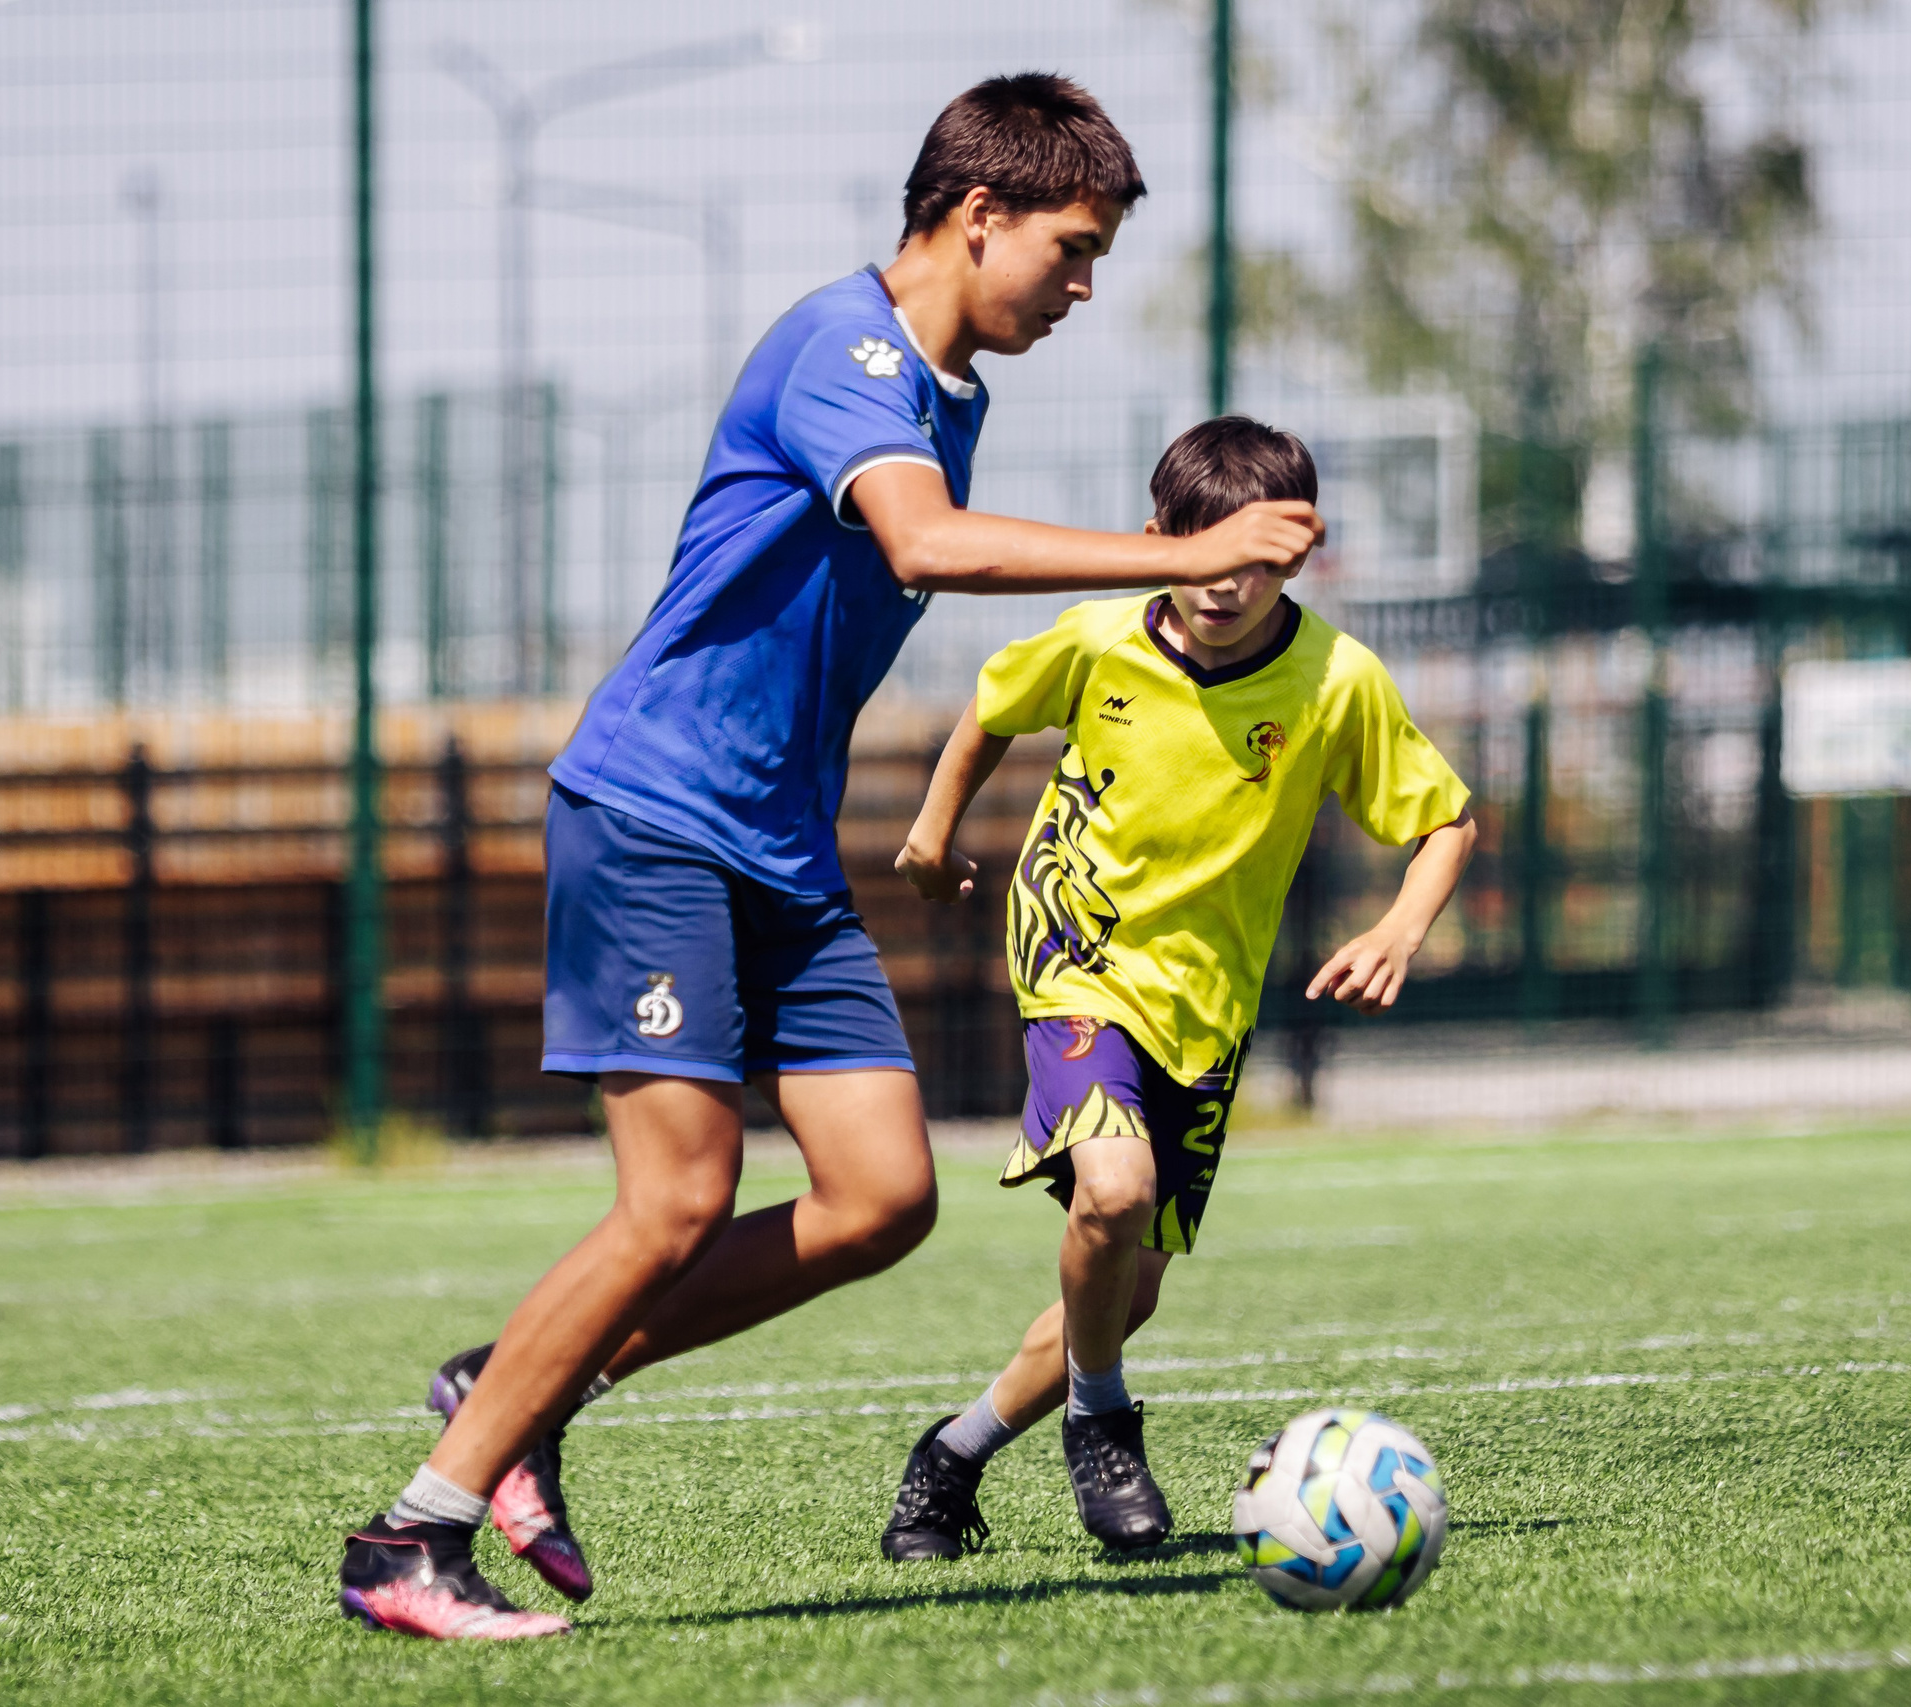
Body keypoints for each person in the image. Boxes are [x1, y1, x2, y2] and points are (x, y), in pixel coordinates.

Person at [339, 75, 1328, 1639]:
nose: (1083, 289)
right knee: (677, 1199)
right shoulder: (845, 351)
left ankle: (520, 1374)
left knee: (880, 1194)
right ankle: (413, 1533)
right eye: (1071, 251)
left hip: (779, 844)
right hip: (661, 809)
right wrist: (1188, 548)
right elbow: (929, 544)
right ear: (977, 213)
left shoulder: (951, 392)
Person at [876, 414, 1476, 1561]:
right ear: (1158, 540)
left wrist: (1401, 925)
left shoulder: (1333, 680)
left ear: (1298, 551)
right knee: (1110, 1191)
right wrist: (930, 834)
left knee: (1124, 1291)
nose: (1225, 584)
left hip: (1205, 1008)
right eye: (1203, 554)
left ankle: (952, 1455)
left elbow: (1443, 818)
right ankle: (1105, 1426)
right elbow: (994, 707)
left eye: (1256, 560)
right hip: (1074, 951)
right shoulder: (1099, 636)